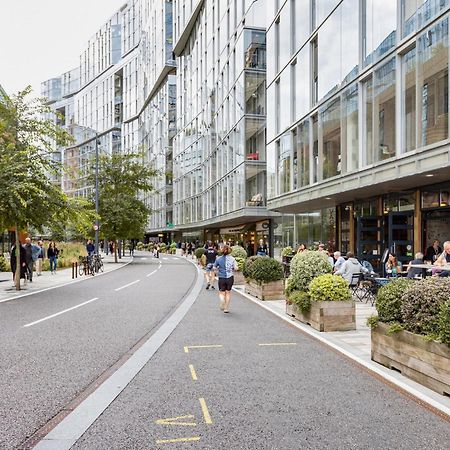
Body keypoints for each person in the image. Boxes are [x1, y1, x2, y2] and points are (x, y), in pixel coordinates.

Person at [213, 245, 238, 313]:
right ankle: (226, 308)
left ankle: (222, 300)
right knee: (228, 292)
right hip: (230, 278)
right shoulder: (233, 259)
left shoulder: (218, 259)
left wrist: (218, 269)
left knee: (221, 292)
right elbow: (236, 268)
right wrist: (232, 268)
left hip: (221, 277)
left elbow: (214, 267)